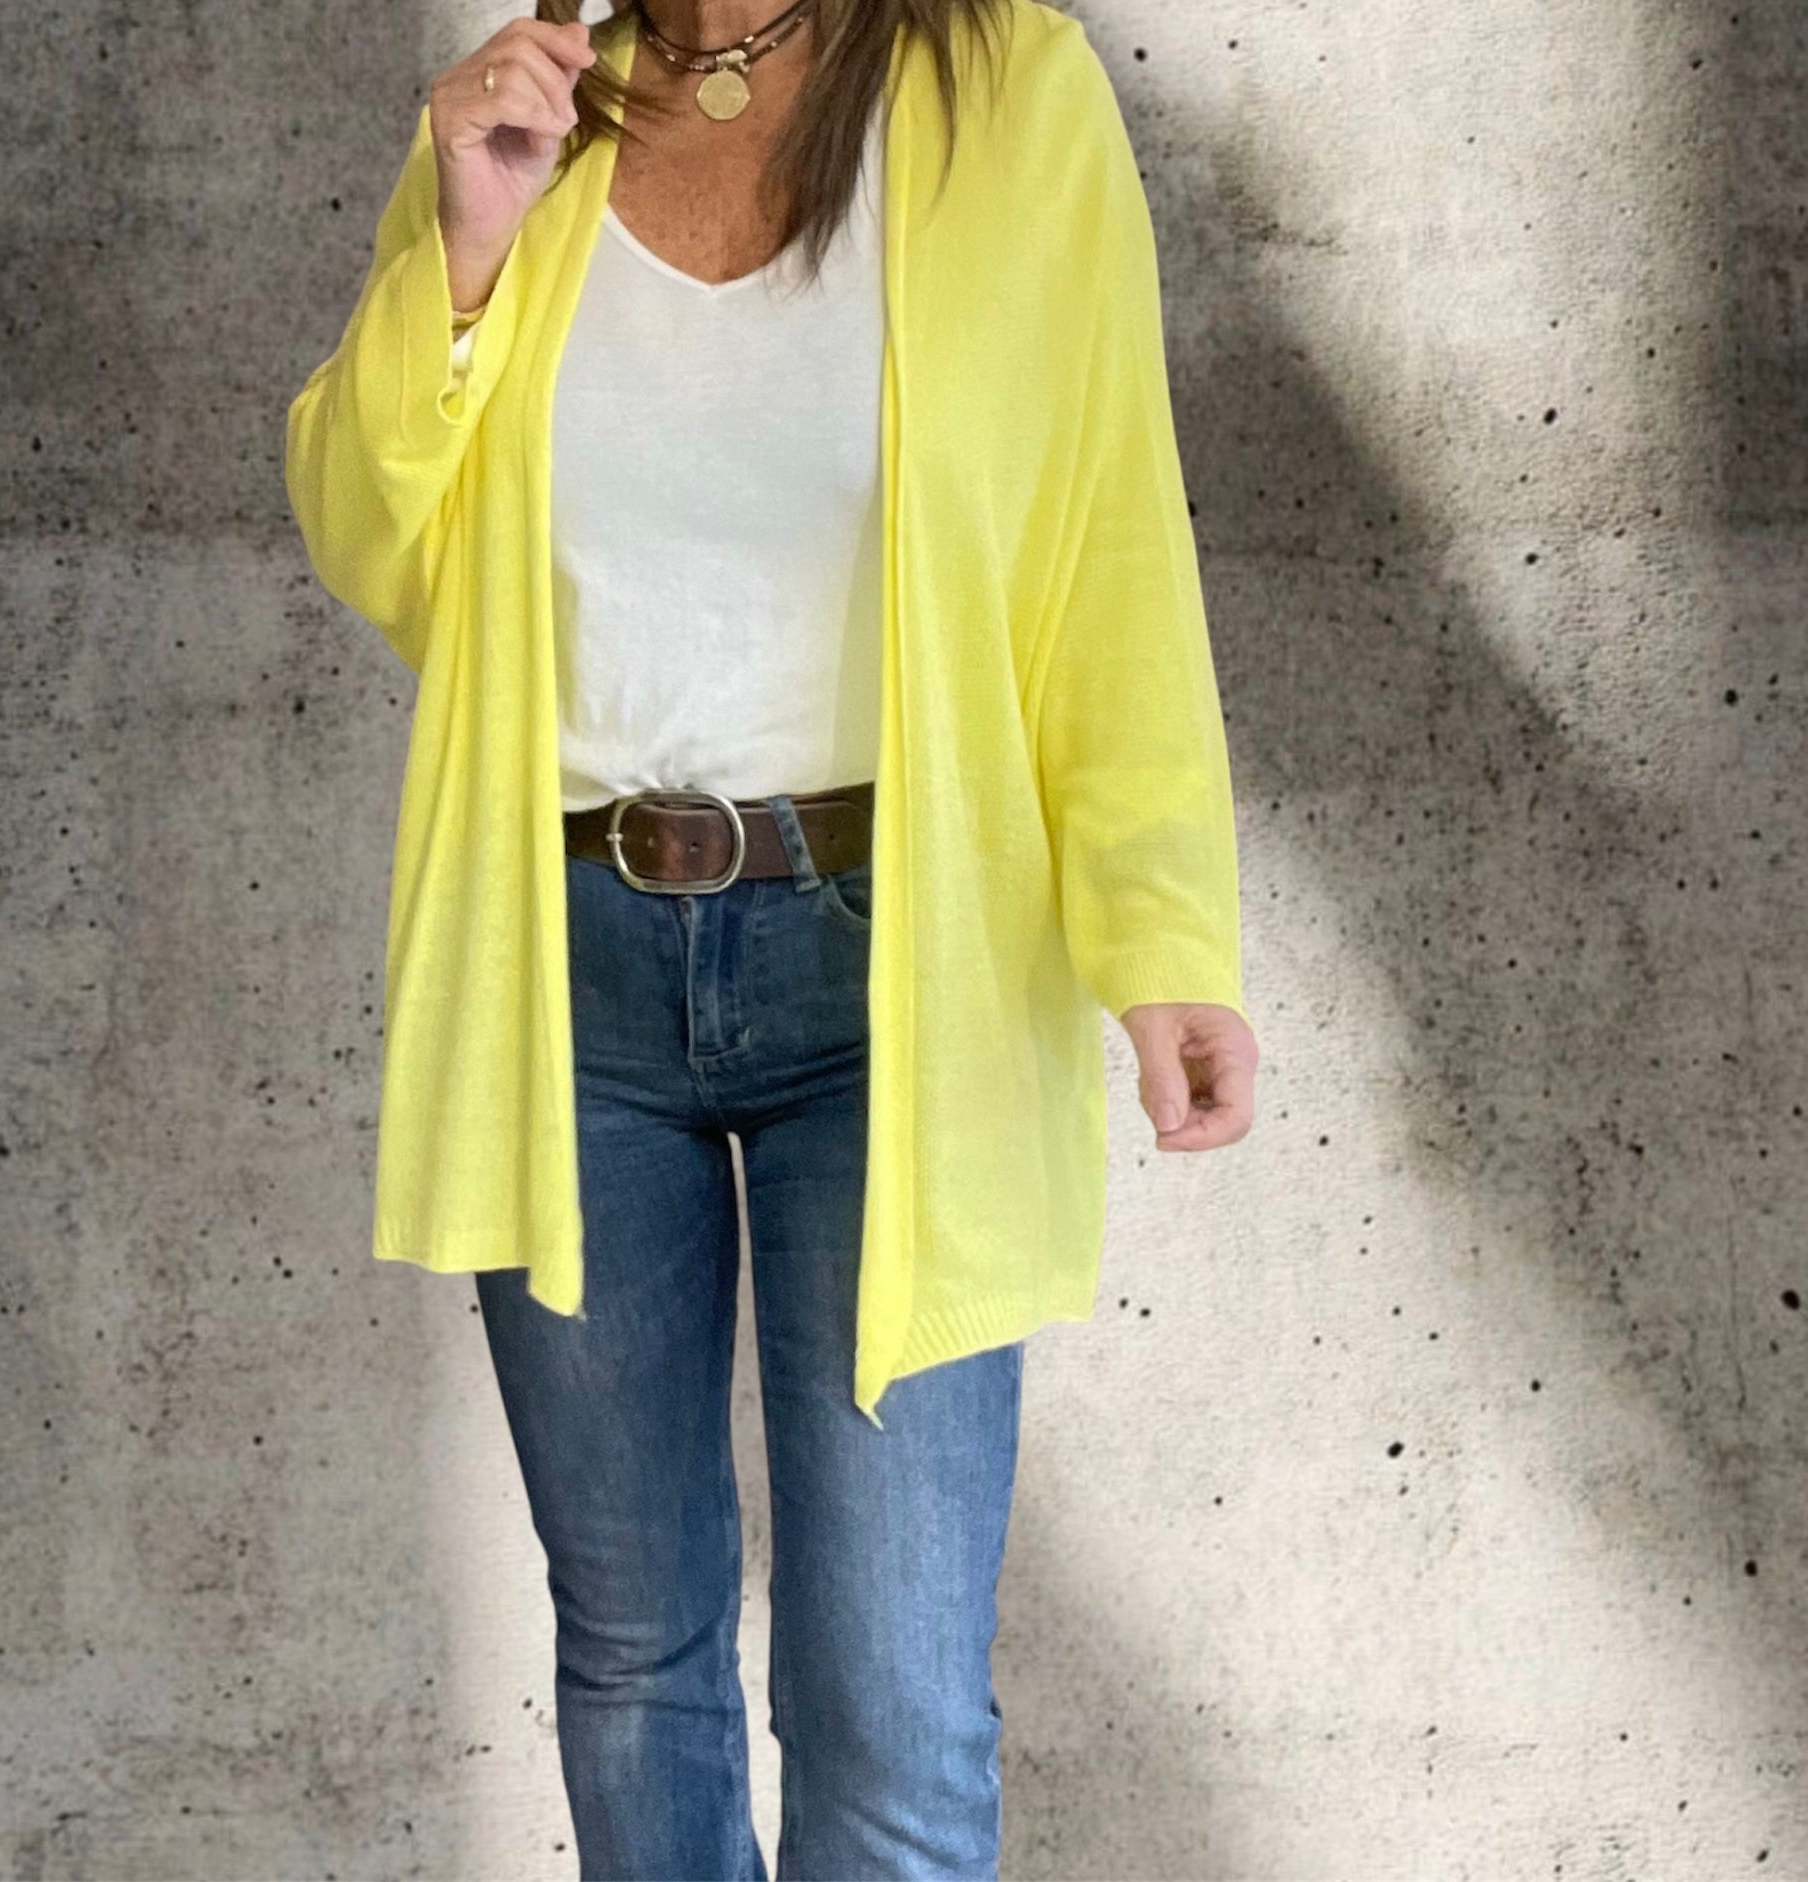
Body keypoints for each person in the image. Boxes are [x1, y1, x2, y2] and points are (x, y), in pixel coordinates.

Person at [284, 0, 1258, 1874]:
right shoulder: (527, 112)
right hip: (564, 967)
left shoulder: (1008, 94)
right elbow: (374, 540)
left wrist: (1159, 936)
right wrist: (465, 255)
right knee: (634, 1652)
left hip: (897, 968)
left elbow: (1107, 544)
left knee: (889, 1695)